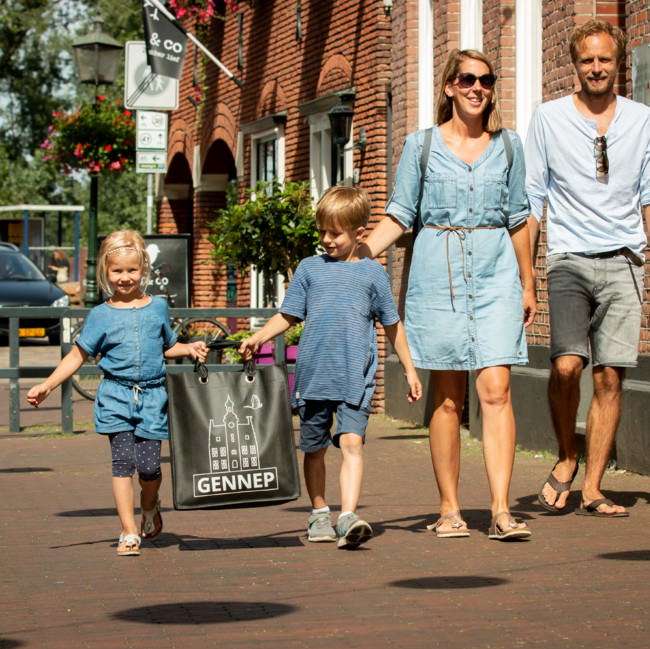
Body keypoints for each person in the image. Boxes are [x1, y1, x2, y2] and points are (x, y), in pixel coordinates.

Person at [360, 49, 535, 540]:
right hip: (438, 275)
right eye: (467, 79)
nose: (477, 87)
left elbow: (519, 216)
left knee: (496, 388)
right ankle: (449, 508)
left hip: (496, 270)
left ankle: (501, 510)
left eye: (485, 79)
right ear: (449, 87)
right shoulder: (419, 146)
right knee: (448, 397)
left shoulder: (509, 146)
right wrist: (358, 253)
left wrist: (528, 280)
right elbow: (399, 214)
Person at [239, 186, 422, 549]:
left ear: (359, 234)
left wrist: (410, 369)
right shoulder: (309, 269)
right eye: (322, 231)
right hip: (314, 376)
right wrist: (259, 337)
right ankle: (319, 511)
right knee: (315, 448)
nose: (326, 240)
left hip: (356, 377)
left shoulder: (373, 274)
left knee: (352, 442)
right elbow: (288, 315)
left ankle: (348, 515)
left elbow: (392, 324)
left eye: (335, 233)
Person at [525, 20, 650, 517]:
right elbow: (533, 198)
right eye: (587, 60)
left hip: (624, 259)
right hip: (568, 258)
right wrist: (527, 274)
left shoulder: (643, 119)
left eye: (604, 60)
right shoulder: (548, 118)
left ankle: (593, 488)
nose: (596, 68)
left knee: (609, 379)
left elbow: (648, 196)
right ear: (574, 65)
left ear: (618, 63)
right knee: (566, 366)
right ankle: (566, 454)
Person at [27, 230, 208, 556]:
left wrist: (189, 348)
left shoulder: (158, 309)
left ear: (144, 270)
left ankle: (149, 506)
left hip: (153, 398)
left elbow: (166, 347)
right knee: (122, 462)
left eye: (131, 270)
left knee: (150, 467)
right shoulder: (99, 315)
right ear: (106, 274)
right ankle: (127, 532)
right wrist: (48, 384)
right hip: (115, 396)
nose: (125, 278)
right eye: (117, 271)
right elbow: (76, 356)